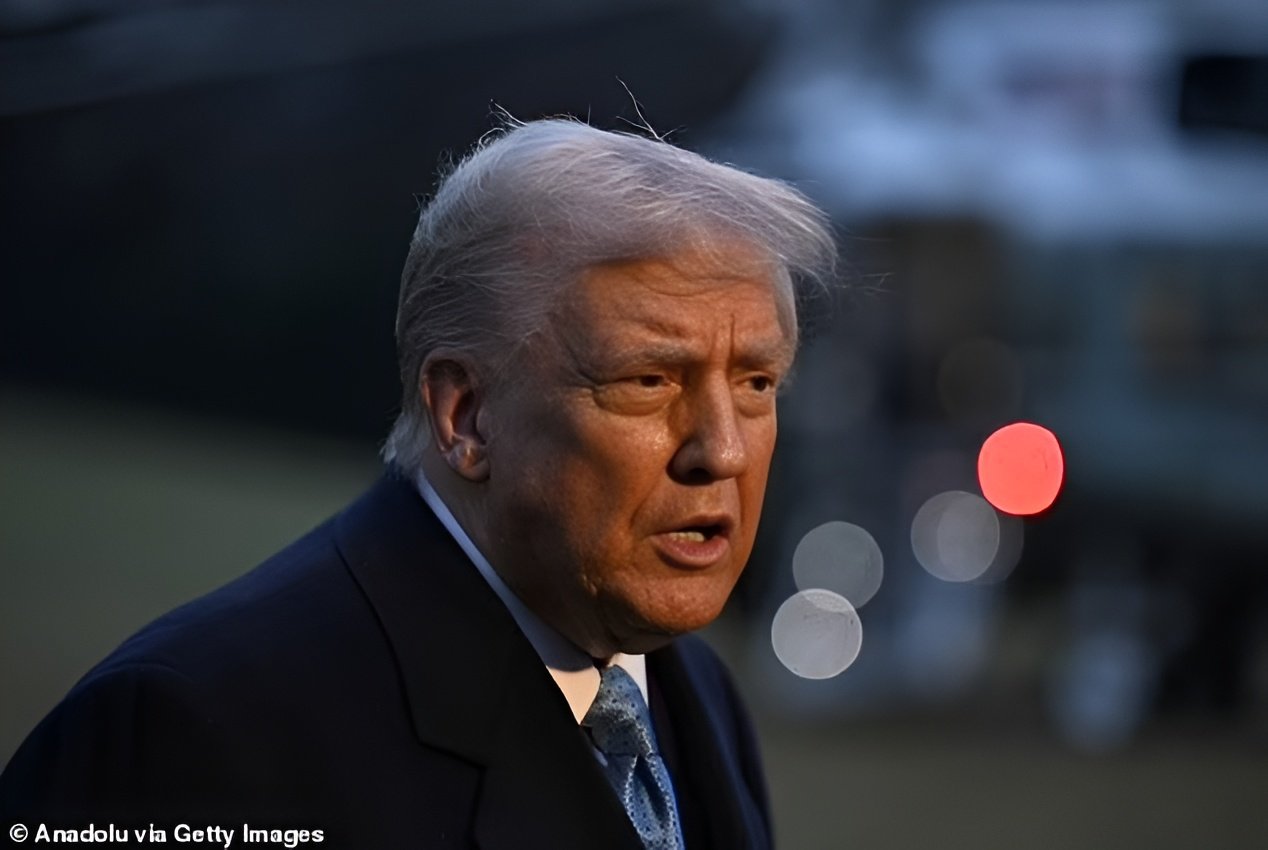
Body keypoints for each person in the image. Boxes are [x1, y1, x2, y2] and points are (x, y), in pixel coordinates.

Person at [0, 118, 836, 849]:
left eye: (756, 383)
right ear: (465, 417)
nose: (723, 450)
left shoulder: (693, 691)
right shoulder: (193, 734)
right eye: (648, 380)